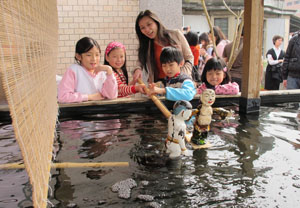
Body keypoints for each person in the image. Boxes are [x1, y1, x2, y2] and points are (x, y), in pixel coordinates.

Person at [133, 10, 194, 84]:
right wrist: (138, 69)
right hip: (159, 84)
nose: (147, 30)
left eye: (149, 24)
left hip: (180, 83)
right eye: (142, 28)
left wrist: (182, 75)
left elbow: (189, 58)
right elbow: (140, 61)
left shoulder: (176, 35)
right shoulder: (146, 45)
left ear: (156, 22)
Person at [58, 37, 118, 103]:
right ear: (78, 56)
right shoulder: (74, 70)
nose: (94, 59)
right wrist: (89, 97)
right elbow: (63, 97)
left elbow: (112, 96)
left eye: (97, 55)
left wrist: (109, 71)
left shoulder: (102, 72)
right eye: (89, 55)